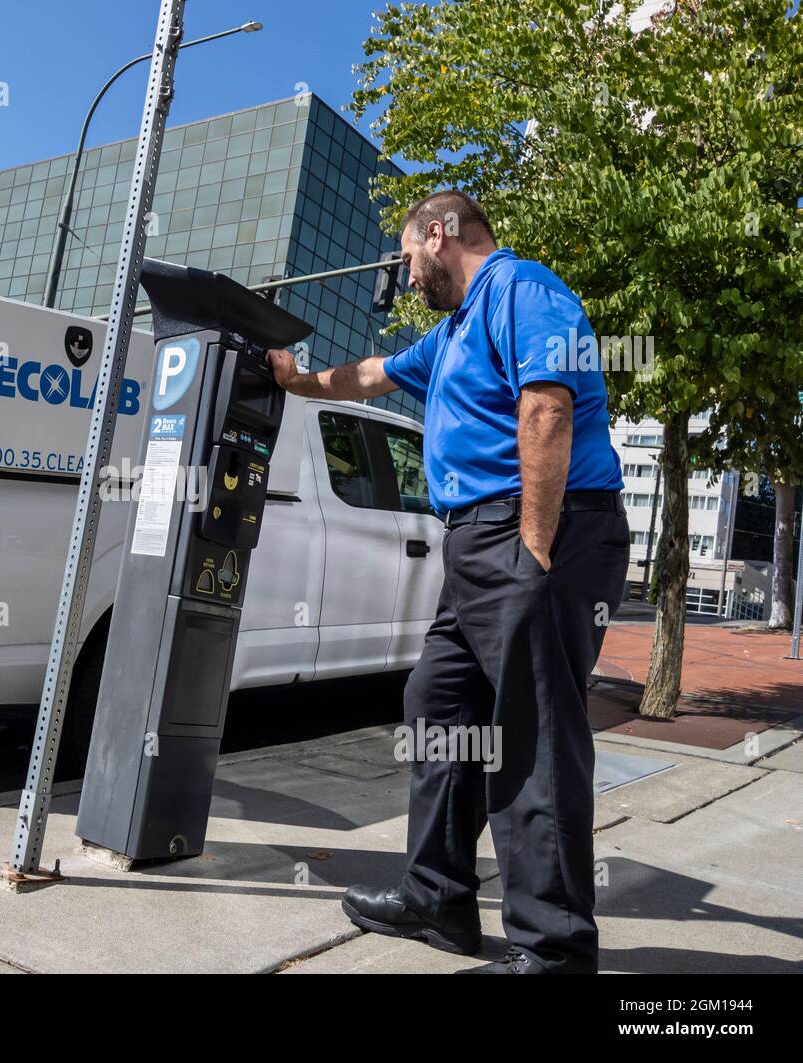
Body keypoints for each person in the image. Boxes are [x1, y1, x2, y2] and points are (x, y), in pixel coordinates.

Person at [267, 190, 629, 974]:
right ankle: (439, 895)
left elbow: (547, 408)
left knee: (531, 735)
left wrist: (533, 548)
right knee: (436, 702)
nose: (406, 274)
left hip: (544, 531)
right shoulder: (449, 334)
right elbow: (368, 374)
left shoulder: (521, 288)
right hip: (473, 546)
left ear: (440, 233)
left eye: (406, 258)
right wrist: (297, 381)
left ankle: (554, 949)